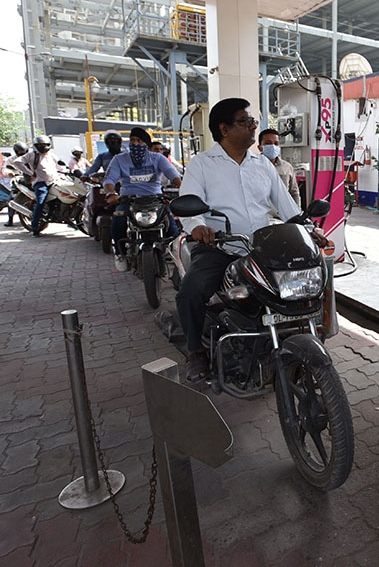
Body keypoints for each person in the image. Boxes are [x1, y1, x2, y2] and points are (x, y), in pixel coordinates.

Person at [176, 98, 301, 381]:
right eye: (245, 122)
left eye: (253, 122)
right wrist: (198, 227)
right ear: (224, 128)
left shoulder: (262, 164)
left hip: (261, 247)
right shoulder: (202, 164)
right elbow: (188, 202)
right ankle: (195, 352)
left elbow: (286, 205)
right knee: (191, 290)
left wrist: (306, 228)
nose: (253, 127)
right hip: (219, 247)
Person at [103, 127, 182, 272]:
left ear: (146, 144)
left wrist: (184, 189)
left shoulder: (158, 158)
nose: (135, 144)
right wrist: (111, 193)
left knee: (171, 226)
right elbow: (110, 179)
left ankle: (177, 253)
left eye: (139, 141)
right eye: (132, 140)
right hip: (128, 200)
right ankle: (120, 253)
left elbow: (172, 174)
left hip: (155, 200)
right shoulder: (119, 159)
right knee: (117, 220)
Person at [14, 135, 63, 237]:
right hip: (41, 183)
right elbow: (17, 162)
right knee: (40, 202)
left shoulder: (51, 155)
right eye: (40, 144)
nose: (43, 146)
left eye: (45, 144)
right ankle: (34, 227)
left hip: (54, 182)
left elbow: (60, 166)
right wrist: (30, 172)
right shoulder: (32, 155)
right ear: (36, 145)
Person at [258, 128, 301, 206]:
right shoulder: (253, 166)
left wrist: (297, 212)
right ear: (260, 147)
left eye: (276, 143)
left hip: (283, 214)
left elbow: (294, 193)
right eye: (268, 143)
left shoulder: (287, 167)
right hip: (261, 214)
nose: (273, 146)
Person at [2, 142, 28, 226]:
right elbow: (5, 169)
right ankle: (10, 219)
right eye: (20, 152)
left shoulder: (31, 157)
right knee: (12, 198)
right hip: (18, 179)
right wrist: (10, 173)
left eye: (23, 151)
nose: (22, 153)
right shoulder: (10, 159)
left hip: (31, 179)